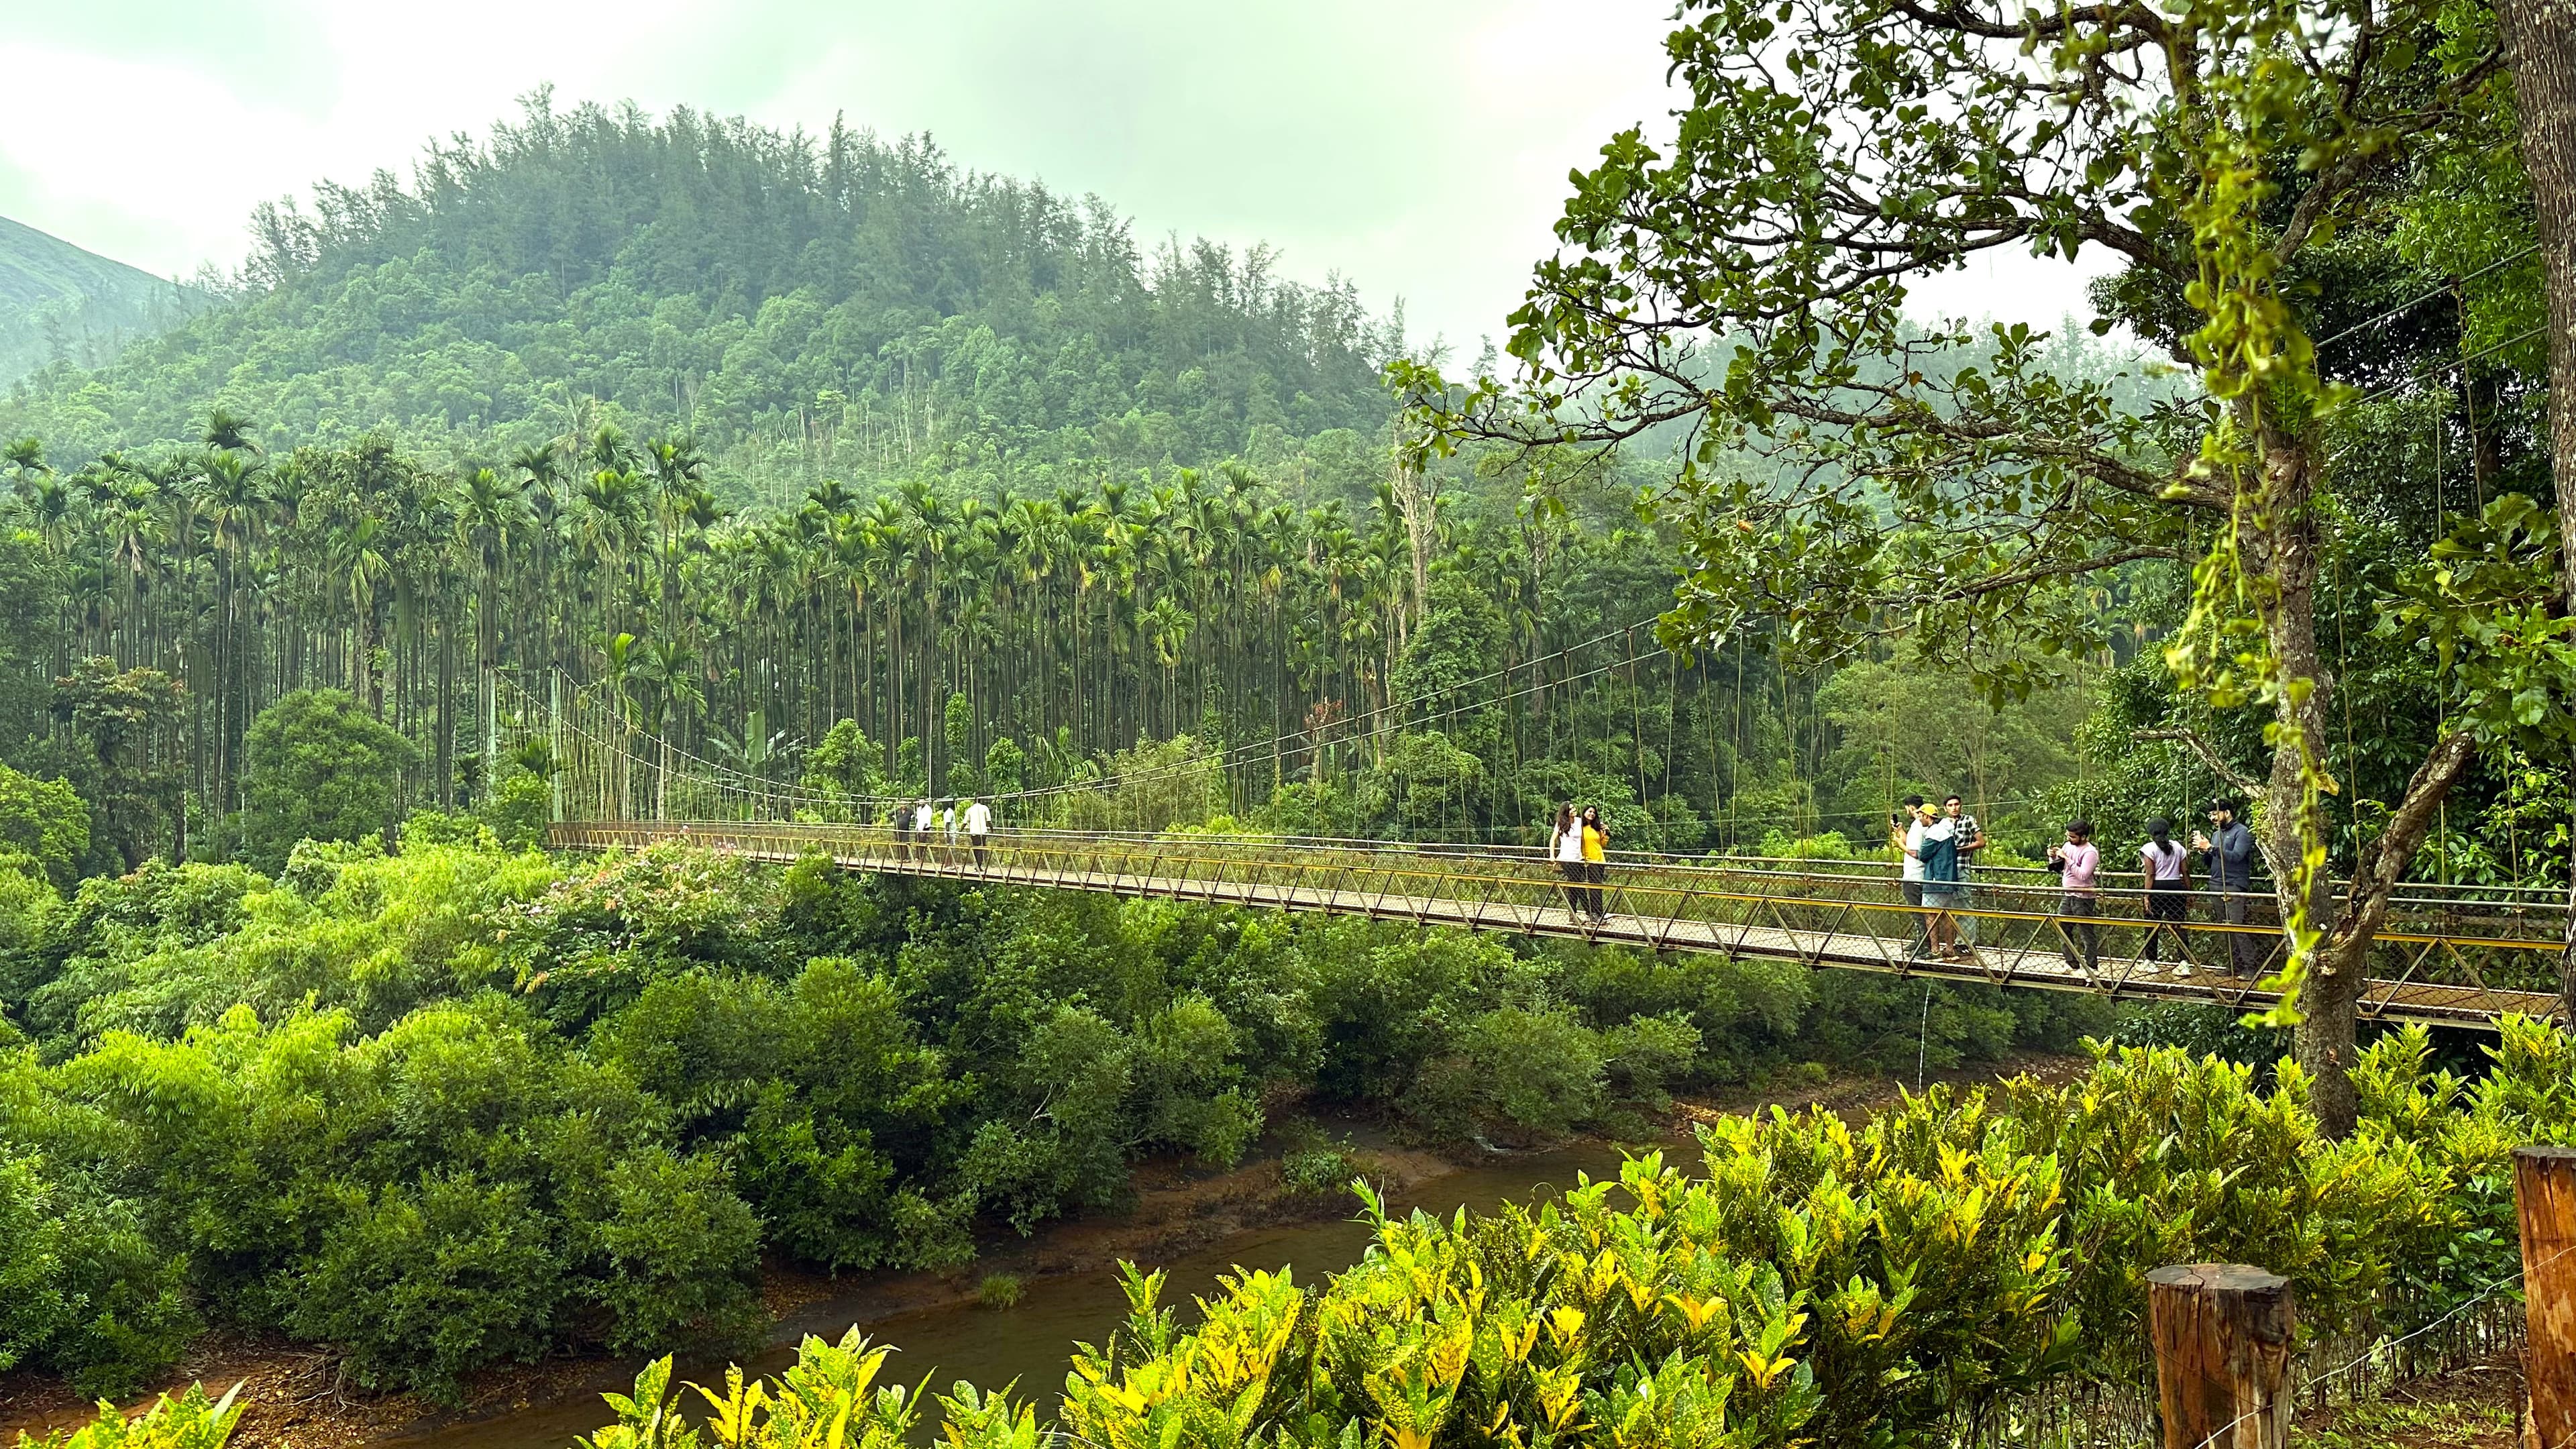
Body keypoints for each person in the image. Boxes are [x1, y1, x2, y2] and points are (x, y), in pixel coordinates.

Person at [2192, 798, 2260, 977]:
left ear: (2227, 813)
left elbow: (2237, 856)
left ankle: (2250, 967)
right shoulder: (2216, 834)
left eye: (2215, 813)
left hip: (2234, 885)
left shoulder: (2242, 832)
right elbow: (2211, 862)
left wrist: (2211, 848)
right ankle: (2233, 965)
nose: (2212, 818)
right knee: (2224, 928)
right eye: (2210, 815)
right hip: (2216, 885)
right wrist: (2204, 851)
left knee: (2238, 927)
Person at [2140, 817, 2193, 971]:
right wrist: (2189, 893)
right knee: (2178, 925)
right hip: (2176, 887)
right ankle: (2184, 963)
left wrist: (2146, 896)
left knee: (2152, 925)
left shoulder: (2149, 848)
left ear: (2151, 833)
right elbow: (2185, 872)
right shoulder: (2178, 847)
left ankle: (2150, 961)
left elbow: (2150, 874)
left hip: (2157, 888)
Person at [1913, 802, 1966, 959]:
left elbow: (1923, 855)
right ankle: (1949, 948)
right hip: (1947, 879)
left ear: (1928, 816)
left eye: (1921, 815)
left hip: (1936, 879)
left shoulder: (1934, 833)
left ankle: (1935, 950)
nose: (1919, 818)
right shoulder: (1945, 831)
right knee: (1946, 914)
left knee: (1930, 914)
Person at [2049, 819, 2101, 973]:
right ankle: (2071, 963)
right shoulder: (2067, 846)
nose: (2069, 839)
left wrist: (2067, 858)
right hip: (2068, 894)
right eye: (2068, 835)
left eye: (2072, 837)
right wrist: (2053, 857)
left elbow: (2083, 875)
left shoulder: (2090, 852)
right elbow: (2059, 868)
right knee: (2063, 927)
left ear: (2083, 837)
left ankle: (2092, 966)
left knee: (2086, 931)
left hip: (2083, 897)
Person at [1943, 795, 1987, 946]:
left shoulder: (1968, 820)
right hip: (1946, 871)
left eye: (1956, 804)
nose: (1954, 807)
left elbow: (1981, 842)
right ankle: (1955, 942)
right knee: (1950, 906)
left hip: (1961, 868)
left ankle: (1966, 942)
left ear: (1960, 806)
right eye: (1950, 805)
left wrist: (1960, 850)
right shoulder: (1943, 823)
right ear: (1945, 808)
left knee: (1963, 904)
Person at [1892, 796, 1931, 959]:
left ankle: (1924, 944)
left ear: (1910, 807)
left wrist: (1899, 845)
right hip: (1916, 875)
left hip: (1915, 876)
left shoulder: (1920, 825)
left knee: (1918, 912)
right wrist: (1901, 832)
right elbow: (1913, 845)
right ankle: (1919, 940)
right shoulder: (1918, 825)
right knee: (1918, 912)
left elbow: (1916, 853)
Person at [1550, 805, 1586, 914]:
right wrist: (1552, 856)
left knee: (1574, 887)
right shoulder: (1561, 824)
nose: (1574, 810)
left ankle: (1572, 915)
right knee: (1578, 885)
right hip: (1566, 858)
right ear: (1566, 811)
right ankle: (1590, 912)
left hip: (1578, 858)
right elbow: (1552, 840)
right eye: (1571, 809)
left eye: (1574, 808)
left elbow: (1590, 829)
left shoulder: (1579, 821)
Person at [1579, 805, 1611, 922]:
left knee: (1598, 887)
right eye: (1590, 811)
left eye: (1594, 812)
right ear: (1584, 812)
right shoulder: (1580, 827)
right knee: (1594, 886)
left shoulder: (1596, 827)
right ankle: (1595, 913)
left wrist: (1606, 833)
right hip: (1588, 860)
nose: (1592, 814)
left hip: (1600, 859)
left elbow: (1603, 844)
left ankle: (1599, 912)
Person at [965, 796, 994, 867]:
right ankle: (979, 865)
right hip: (983, 832)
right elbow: (989, 821)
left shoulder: (970, 809)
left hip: (974, 833)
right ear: (982, 801)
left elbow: (965, 822)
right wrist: (992, 830)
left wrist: (959, 831)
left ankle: (978, 864)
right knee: (981, 848)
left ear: (974, 801)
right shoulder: (985, 808)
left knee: (976, 848)